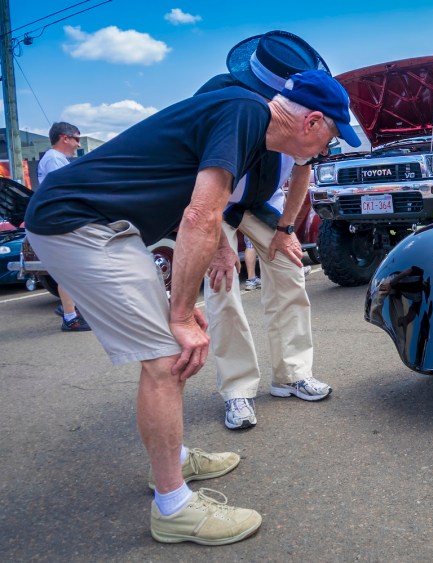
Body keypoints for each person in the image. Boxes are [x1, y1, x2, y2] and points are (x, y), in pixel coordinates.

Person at [24, 66, 360, 545]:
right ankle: (173, 507)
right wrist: (179, 312)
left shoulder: (243, 117)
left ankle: (173, 455)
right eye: (331, 136)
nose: (327, 149)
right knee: (165, 357)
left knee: (170, 352)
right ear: (310, 123)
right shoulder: (245, 113)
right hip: (76, 222)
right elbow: (200, 214)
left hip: (106, 225)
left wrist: (191, 289)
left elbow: (208, 208)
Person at [196, 31, 343, 431]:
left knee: (290, 271)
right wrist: (217, 245)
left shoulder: (300, 112)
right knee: (223, 285)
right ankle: (237, 390)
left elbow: (302, 168)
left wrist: (286, 228)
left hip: (261, 205)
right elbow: (196, 176)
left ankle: (292, 375)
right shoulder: (223, 99)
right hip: (214, 203)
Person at [36, 122, 91, 332]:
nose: (78, 144)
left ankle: (69, 309)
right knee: (69, 271)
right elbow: (63, 191)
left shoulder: (58, 159)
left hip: (63, 218)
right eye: (77, 138)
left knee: (76, 269)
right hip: (60, 219)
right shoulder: (53, 159)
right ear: (64, 138)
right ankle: (70, 318)